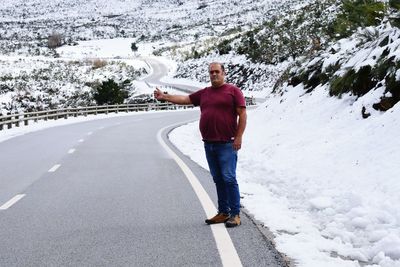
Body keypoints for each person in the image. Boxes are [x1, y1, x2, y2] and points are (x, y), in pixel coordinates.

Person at [154, 62, 247, 228]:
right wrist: (165, 97)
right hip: (209, 144)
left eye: (217, 71)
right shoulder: (205, 93)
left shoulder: (233, 91)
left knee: (229, 178)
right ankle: (223, 212)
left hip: (227, 143)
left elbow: (242, 114)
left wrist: (239, 136)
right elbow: (185, 99)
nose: (214, 74)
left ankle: (235, 214)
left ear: (224, 73)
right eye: (211, 72)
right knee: (218, 179)